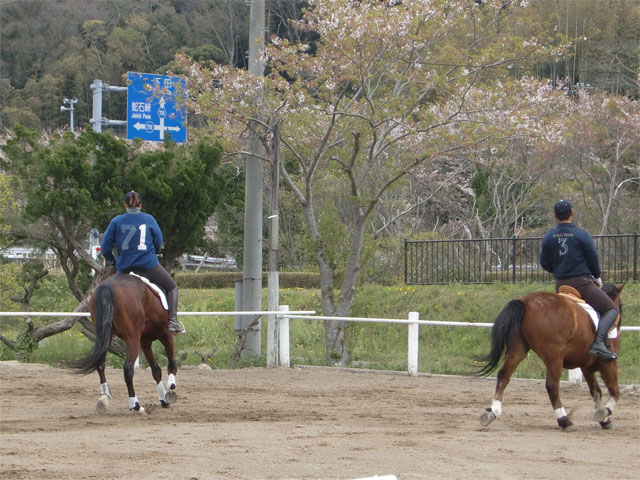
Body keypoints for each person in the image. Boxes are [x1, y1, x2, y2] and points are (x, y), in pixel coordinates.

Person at [539, 199, 617, 362]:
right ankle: (598, 343)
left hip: (561, 284)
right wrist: (596, 276)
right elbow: (593, 258)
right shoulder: (582, 235)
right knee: (611, 310)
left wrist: (560, 270)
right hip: (582, 284)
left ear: (555, 216)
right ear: (572, 213)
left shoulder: (549, 237)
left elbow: (544, 263)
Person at [100, 191, 185, 335]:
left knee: (110, 292)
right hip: (148, 265)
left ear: (125, 205)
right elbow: (158, 241)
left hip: (124, 268)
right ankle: (173, 322)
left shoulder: (116, 221)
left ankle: (107, 322)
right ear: (140, 205)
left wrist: (111, 261)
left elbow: (105, 247)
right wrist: (154, 251)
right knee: (171, 287)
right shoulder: (149, 219)